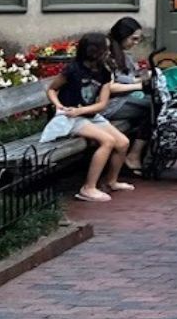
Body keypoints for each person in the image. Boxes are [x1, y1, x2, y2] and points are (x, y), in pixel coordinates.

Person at [40, 33, 132, 202]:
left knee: (123, 142)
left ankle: (112, 181)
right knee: (107, 141)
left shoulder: (104, 72)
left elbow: (102, 104)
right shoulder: (73, 69)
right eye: (106, 48)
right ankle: (88, 188)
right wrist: (58, 105)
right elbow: (52, 89)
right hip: (70, 118)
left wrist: (82, 111)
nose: (109, 51)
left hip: (88, 114)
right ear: (94, 51)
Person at [103, 17, 153, 177]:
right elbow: (110, 86)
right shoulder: (106, 56)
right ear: (123, 35)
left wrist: (148, 76)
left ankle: (140, 153)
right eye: (134, 38)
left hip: (124, 99)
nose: (136, 43)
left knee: (157, 103)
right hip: (110, 104)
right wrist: (140, 85)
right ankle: (134, 155)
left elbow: (132, 77)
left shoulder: (124, 56)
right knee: (154, 106)